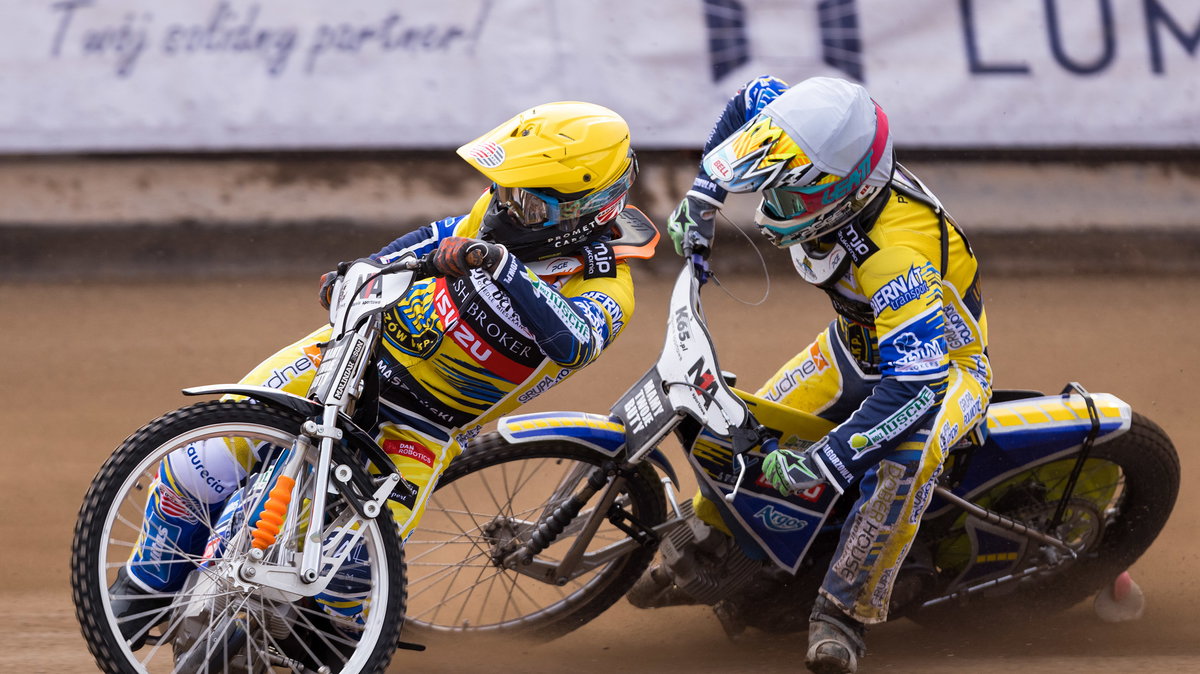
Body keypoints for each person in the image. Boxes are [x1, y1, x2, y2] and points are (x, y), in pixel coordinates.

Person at [110, 101, 658, 648]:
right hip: (350, 358)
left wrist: (500, 265)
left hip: (418, 428)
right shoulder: (503, 213)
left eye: (529, 204)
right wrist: (364, 266)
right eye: (503, 189)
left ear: (587, 208)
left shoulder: (609, 290)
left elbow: (571, 343)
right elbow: (438, 235)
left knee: (350, 569)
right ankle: (142, 588)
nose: (506, 209)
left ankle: (312, 640)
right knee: (198, 463)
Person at [667, 75, 991, 674]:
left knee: (902, 464)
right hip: (856, 343)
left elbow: (917, 387)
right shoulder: (825, 140)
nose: (771, 209)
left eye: (788, 199)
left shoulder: (894, 256)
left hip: (945, 370)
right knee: (743, 421)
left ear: (842, 192)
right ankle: (713, 540)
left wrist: (829, 459)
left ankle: (844, 611)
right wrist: (705, 198)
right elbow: (753, 95)